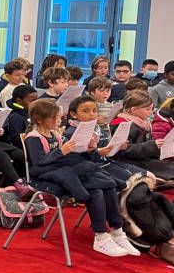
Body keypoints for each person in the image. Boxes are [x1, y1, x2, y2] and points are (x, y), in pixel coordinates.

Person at [24, 99, 136, 258]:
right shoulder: (33, 137)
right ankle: (101, 236)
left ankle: (117, 230)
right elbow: (38, 163)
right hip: (44, 176)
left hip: (63, 170)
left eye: (59, 117)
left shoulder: (56, 134)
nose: (59, 120)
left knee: (105, 186)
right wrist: (61, 151)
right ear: (40, 119)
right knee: (96, 189)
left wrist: (89, 150)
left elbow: (70, 158)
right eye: (55, 117)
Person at [110, 91, 174, 180]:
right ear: (133, 110)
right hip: (132, 163)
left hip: (144, 160)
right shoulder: (122, 125)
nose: (151, 112)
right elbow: (124, 151)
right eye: (147, 109)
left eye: (151, 109)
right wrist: (153, 145)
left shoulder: (143, 124)